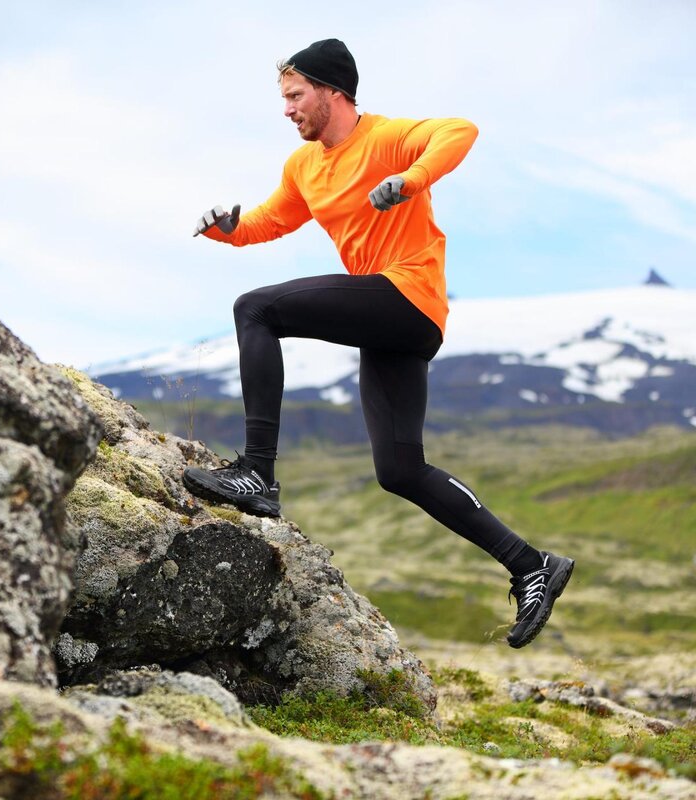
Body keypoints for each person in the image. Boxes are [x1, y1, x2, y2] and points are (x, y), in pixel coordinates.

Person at [181, 38, 573, 649]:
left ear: (333, 92)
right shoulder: (304, 166)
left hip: (408, 294)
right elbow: (272, 220)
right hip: (392, 320)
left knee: (254, 309)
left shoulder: (386, 137)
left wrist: (411, 179)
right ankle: (531, 564)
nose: (286, 109)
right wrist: (228, 231)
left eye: (295, 96)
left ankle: (257, 472)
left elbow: (461, 130)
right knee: (399, 470)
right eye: (283, 98)